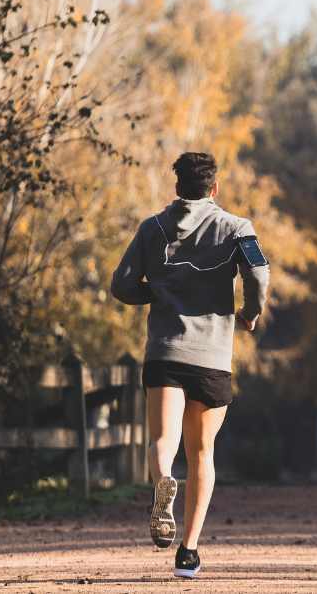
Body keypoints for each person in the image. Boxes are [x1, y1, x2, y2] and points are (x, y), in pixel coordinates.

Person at [110, 152, 270, 579]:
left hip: (165, 351)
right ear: (213, 188)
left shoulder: (152, 229)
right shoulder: (237, 228)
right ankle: (189, 550)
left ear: (177, 187)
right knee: (202, 453)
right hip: (212, 357)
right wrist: (250, 311)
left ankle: (163, 480)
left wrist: (158, 292)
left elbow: (121, 284)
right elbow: (259, 272)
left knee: (163, 441)